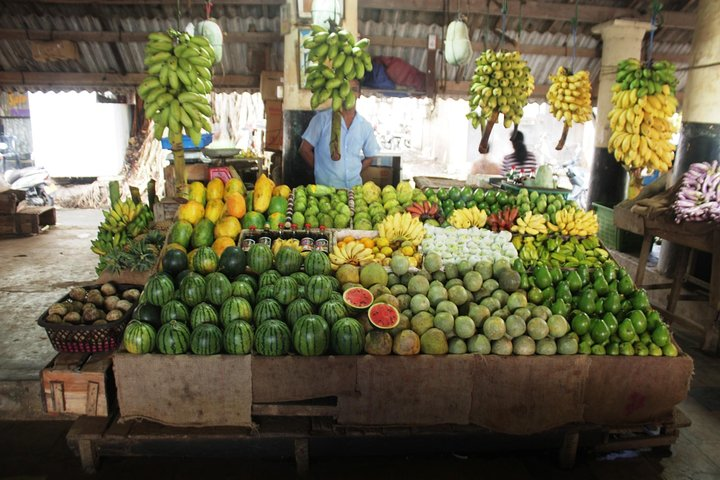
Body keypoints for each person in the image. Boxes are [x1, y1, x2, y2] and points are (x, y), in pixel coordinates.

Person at [299, 80, 381, 189]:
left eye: (354, 90)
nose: (349, 94)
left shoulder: (365, 126)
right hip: (327, 190)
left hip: (354, 190)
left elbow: (370, 156)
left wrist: (355, 170)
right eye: (346, 89)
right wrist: (320, 170)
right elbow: (304, 149)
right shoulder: (321, 120)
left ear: (359, 94)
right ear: (339, 92)